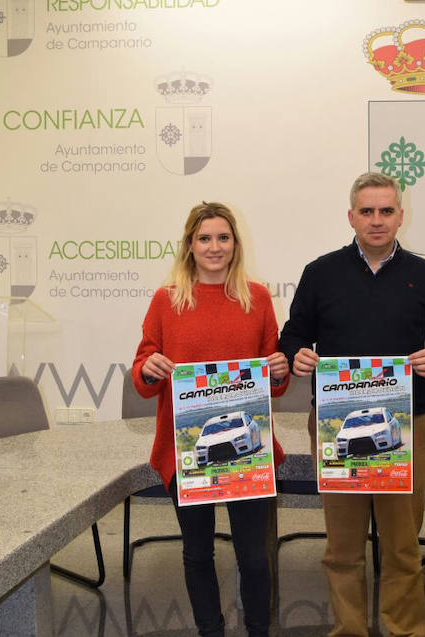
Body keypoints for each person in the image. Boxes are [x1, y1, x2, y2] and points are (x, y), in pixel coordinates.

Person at [278, 171, 425, 637]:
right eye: (367, 212)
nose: (376, 221)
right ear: (351, 217)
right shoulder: (321, 273)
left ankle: (404, 630)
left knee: (401, 545)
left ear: (401, 216)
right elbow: (293, 334)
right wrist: (295, 352)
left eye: (385, 211)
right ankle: (350, 630)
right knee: (342, 546)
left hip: (407, 425)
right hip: (338, 426)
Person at [131, 202, 289, 637]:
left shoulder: (256, 297)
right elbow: (143, 369)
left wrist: (279, 370)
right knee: (197, 553)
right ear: (190, 245)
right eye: (205, 238)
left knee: (254, 557)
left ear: (235, 244)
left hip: (247, 451)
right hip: (187, 450)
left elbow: (274, 379)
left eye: (223, 238)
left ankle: (259, 630)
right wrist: (150, 366)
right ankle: (210, 631)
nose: (214, 247)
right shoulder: (166, 300)